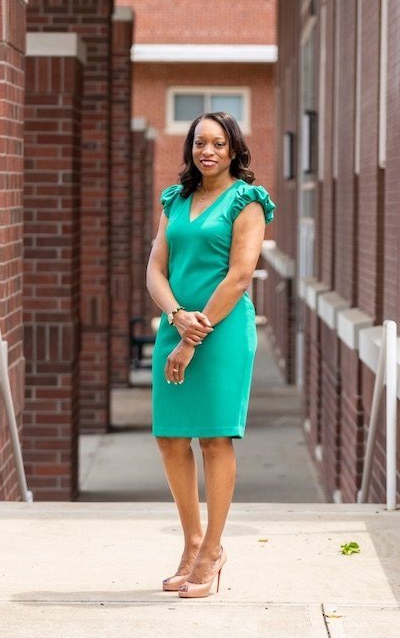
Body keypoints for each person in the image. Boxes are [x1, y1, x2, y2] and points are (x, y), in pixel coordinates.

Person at [145, 111, 275, 598]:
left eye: (219, 143)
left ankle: (214, 552)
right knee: (171, 438)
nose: (208, 151)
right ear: (190, 149)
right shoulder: (174, 200)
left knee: (215, 439)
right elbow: (156, 268)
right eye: (200, 142)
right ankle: (192, 543)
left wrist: (191, 336)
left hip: (220, 334)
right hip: (177, 324)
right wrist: (176, 316)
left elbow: (240, 276)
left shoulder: (247, 201)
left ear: (233, 149)